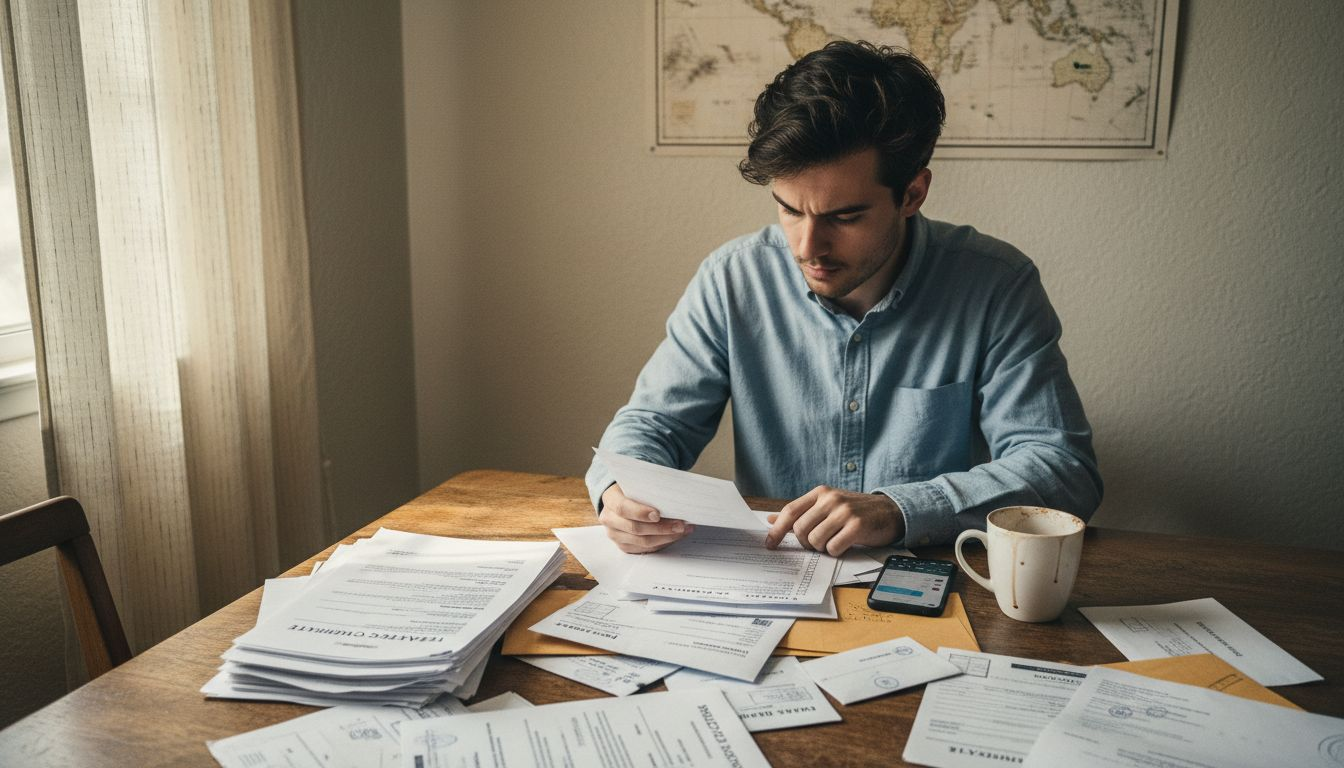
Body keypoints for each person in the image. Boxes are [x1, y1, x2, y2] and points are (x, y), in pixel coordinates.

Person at [587, 40, 1101, 556]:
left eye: (844, 217)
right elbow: (653, 423)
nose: (808, 248)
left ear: (913, 194)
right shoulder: (732, 280)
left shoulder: (995, 284)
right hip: (770, 583)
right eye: (789, 210)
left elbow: (1063, 468)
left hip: (931, 585)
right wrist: (617, 493)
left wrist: (901, 509)